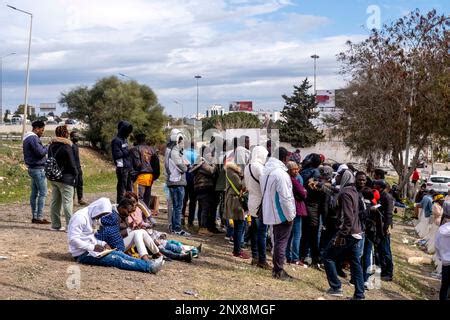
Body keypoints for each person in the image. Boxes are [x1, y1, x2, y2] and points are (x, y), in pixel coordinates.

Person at [68, 197, 164, 274]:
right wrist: (93, 247)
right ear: (98, 209)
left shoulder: (92, 216)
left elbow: (89, 237)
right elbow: (73, 240)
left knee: (120, 254)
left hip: (91, 250)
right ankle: (148, 267)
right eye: (102, 214)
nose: (101, 217)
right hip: (82, 254)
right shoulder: (80, 217)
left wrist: (102, 243)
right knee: (117, 259)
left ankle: (148, 263)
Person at [323, 170, 365, 300]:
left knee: (327, 256)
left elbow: (348, 217)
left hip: (348, 233)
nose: (337, 177)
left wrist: (341, 236)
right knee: (355, 263)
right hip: (356, 232)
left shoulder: (347, 193)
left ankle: (336, 287)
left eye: (339, 176)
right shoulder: (353, 191)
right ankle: (359, 294)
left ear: (345, 178)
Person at [261, 147, 296, 280]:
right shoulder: (281, 174)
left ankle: (277, 269)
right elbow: (285, 198)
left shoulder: (267, 171)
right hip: (281, 213)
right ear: (284, 158)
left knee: (277, 241)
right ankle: (279, 270)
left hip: (270, 210)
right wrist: (290, 215)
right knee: (281, 242)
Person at [48, 125, 78, 231]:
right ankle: (70, 225)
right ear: (66, 134)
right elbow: (72, 163)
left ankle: (55, 225)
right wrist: (76, 174)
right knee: (67, 202)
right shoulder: (67, 147)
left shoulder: (51, 146)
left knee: (55, 201)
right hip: (66, 178)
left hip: (54, 177)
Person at [244, 145, 270, 269]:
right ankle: (262, 260)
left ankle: (255, 257)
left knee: (254, 231)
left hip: (252, 201)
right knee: (262, 233)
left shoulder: (247, 167)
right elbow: (265, 187)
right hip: (261, 203)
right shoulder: (259, 168)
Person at [23, 120, 50, 224]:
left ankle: (34, 216)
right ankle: (39, 217)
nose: (42, 132)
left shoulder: (27, 138)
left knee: (34, 193)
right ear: (37, 128)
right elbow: (40, 153)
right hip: (38, 169)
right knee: (43, 193)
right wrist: (48, 146)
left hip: (32, 168)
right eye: (42, 130)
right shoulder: (33, 138)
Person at [165, 129, 190, 236]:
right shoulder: (174, 152)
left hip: (172, 181)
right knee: (178, 207)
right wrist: (186, 166)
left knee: (175, 206)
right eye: (181, 141)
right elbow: (183, 168)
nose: (183, 143)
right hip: (177, 182)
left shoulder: (169, 150)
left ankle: (174, 227)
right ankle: (177, 228)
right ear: (177, 140)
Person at [225, 160, 250, 259]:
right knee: (240, 226)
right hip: (235, 201)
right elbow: (240, 186)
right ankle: (237, 250)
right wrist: (245, 180)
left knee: (238, 226)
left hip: (233, 200)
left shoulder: (230, 171)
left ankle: (237, 249)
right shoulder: (232, 173)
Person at [285, 161, 308, 267]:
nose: (296, 171)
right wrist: (304, 191)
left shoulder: (287, 179)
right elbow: (303, 193)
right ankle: (295, 258)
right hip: (297, 209)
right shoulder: (294, 180)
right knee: (297, 235)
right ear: (289, 170)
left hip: (290, 208)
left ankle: (288, 256)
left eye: (297, 169)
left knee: (289, 234)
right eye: (294, 169)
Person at [130, 133, 159, 208]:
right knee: (147, 199)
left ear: (137, 140)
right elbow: (156, 164)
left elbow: (137, 164)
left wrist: (132, 176)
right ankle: (145, 218)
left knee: (138, 200)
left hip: (140, 177)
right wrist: (155, 176)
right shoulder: (152, 149)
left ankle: (140, 217)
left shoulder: (135, 149)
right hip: (150, 177)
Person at [374, 180, 394, 282]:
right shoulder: (380, 195)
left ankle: (388, 273)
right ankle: (382, 269)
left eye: (376, 185)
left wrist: (386, 228)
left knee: (386, 251)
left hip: (384, 228)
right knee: (380, 250)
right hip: (380, 226)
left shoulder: (387, 197)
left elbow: (389, 214)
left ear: (380, 187)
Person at [111, 120, 133, 203]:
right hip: (122, 168)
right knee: (121, 188)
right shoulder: (116, 141)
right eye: (127, 131)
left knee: (129, 189)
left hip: (128, 167)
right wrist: (128, 152)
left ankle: (128, 206)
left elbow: (124, 152)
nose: (128, 134)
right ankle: (120, 206)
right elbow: (117, 155)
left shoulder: (124, 140)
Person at [183, 141, 199, 228]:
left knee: (184, 200)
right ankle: (190, 221)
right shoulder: (197, 154)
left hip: (184, 179)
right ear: (195, 146)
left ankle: (181, 218)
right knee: (193, 201)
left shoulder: (184, 153)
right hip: (193, 180)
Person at [435, 209, 450, 300]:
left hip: (446, 262)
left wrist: (441, 257)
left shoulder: (441, 229)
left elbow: (437, 246)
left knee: (444, 285)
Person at [70, 130, 87, 206]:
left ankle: (80, 199)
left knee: (80, 183)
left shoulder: (76, 145)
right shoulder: (70, 146)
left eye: (77, 136)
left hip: (79, 167)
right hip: (74, 168)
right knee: (73, 184)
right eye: (75, 136)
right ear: (71, 137)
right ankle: (72, 200)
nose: (76, 137)